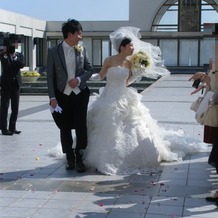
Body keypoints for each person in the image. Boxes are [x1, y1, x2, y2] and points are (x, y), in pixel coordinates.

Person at [82, 26, 207, 175]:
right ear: (122, 47)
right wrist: (85, 77)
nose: (133, 48)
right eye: (130, 45)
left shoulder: (129, 63)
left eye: (133, 45)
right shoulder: (109, 60)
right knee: (107, 125)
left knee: (135, 125)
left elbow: (126, 82)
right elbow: (101, 76)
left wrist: (138, 73)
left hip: (124, 96)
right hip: (109, 97)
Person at [47, 19, 93, 173]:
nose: (81, 36)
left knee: (81, 126)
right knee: (64, 127)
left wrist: (79, 79)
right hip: (62, 95)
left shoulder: (82, 49)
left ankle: (79, 157)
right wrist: (52, 98)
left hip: (80, 94)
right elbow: (50, 77)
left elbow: (89, 69)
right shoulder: (53, 52)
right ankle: (69, 158)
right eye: (79, 33)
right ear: (70, 34)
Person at [0, 45, 25, 135]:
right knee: (4, 107)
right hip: (6, 85)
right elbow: (7, 66)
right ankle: (3, 128)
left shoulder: (18, 55)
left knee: (15, 107)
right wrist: (8, 56)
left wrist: (14, 57)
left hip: (16, 85)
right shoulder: (4, 55)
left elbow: (22, 65)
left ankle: (12, 127)